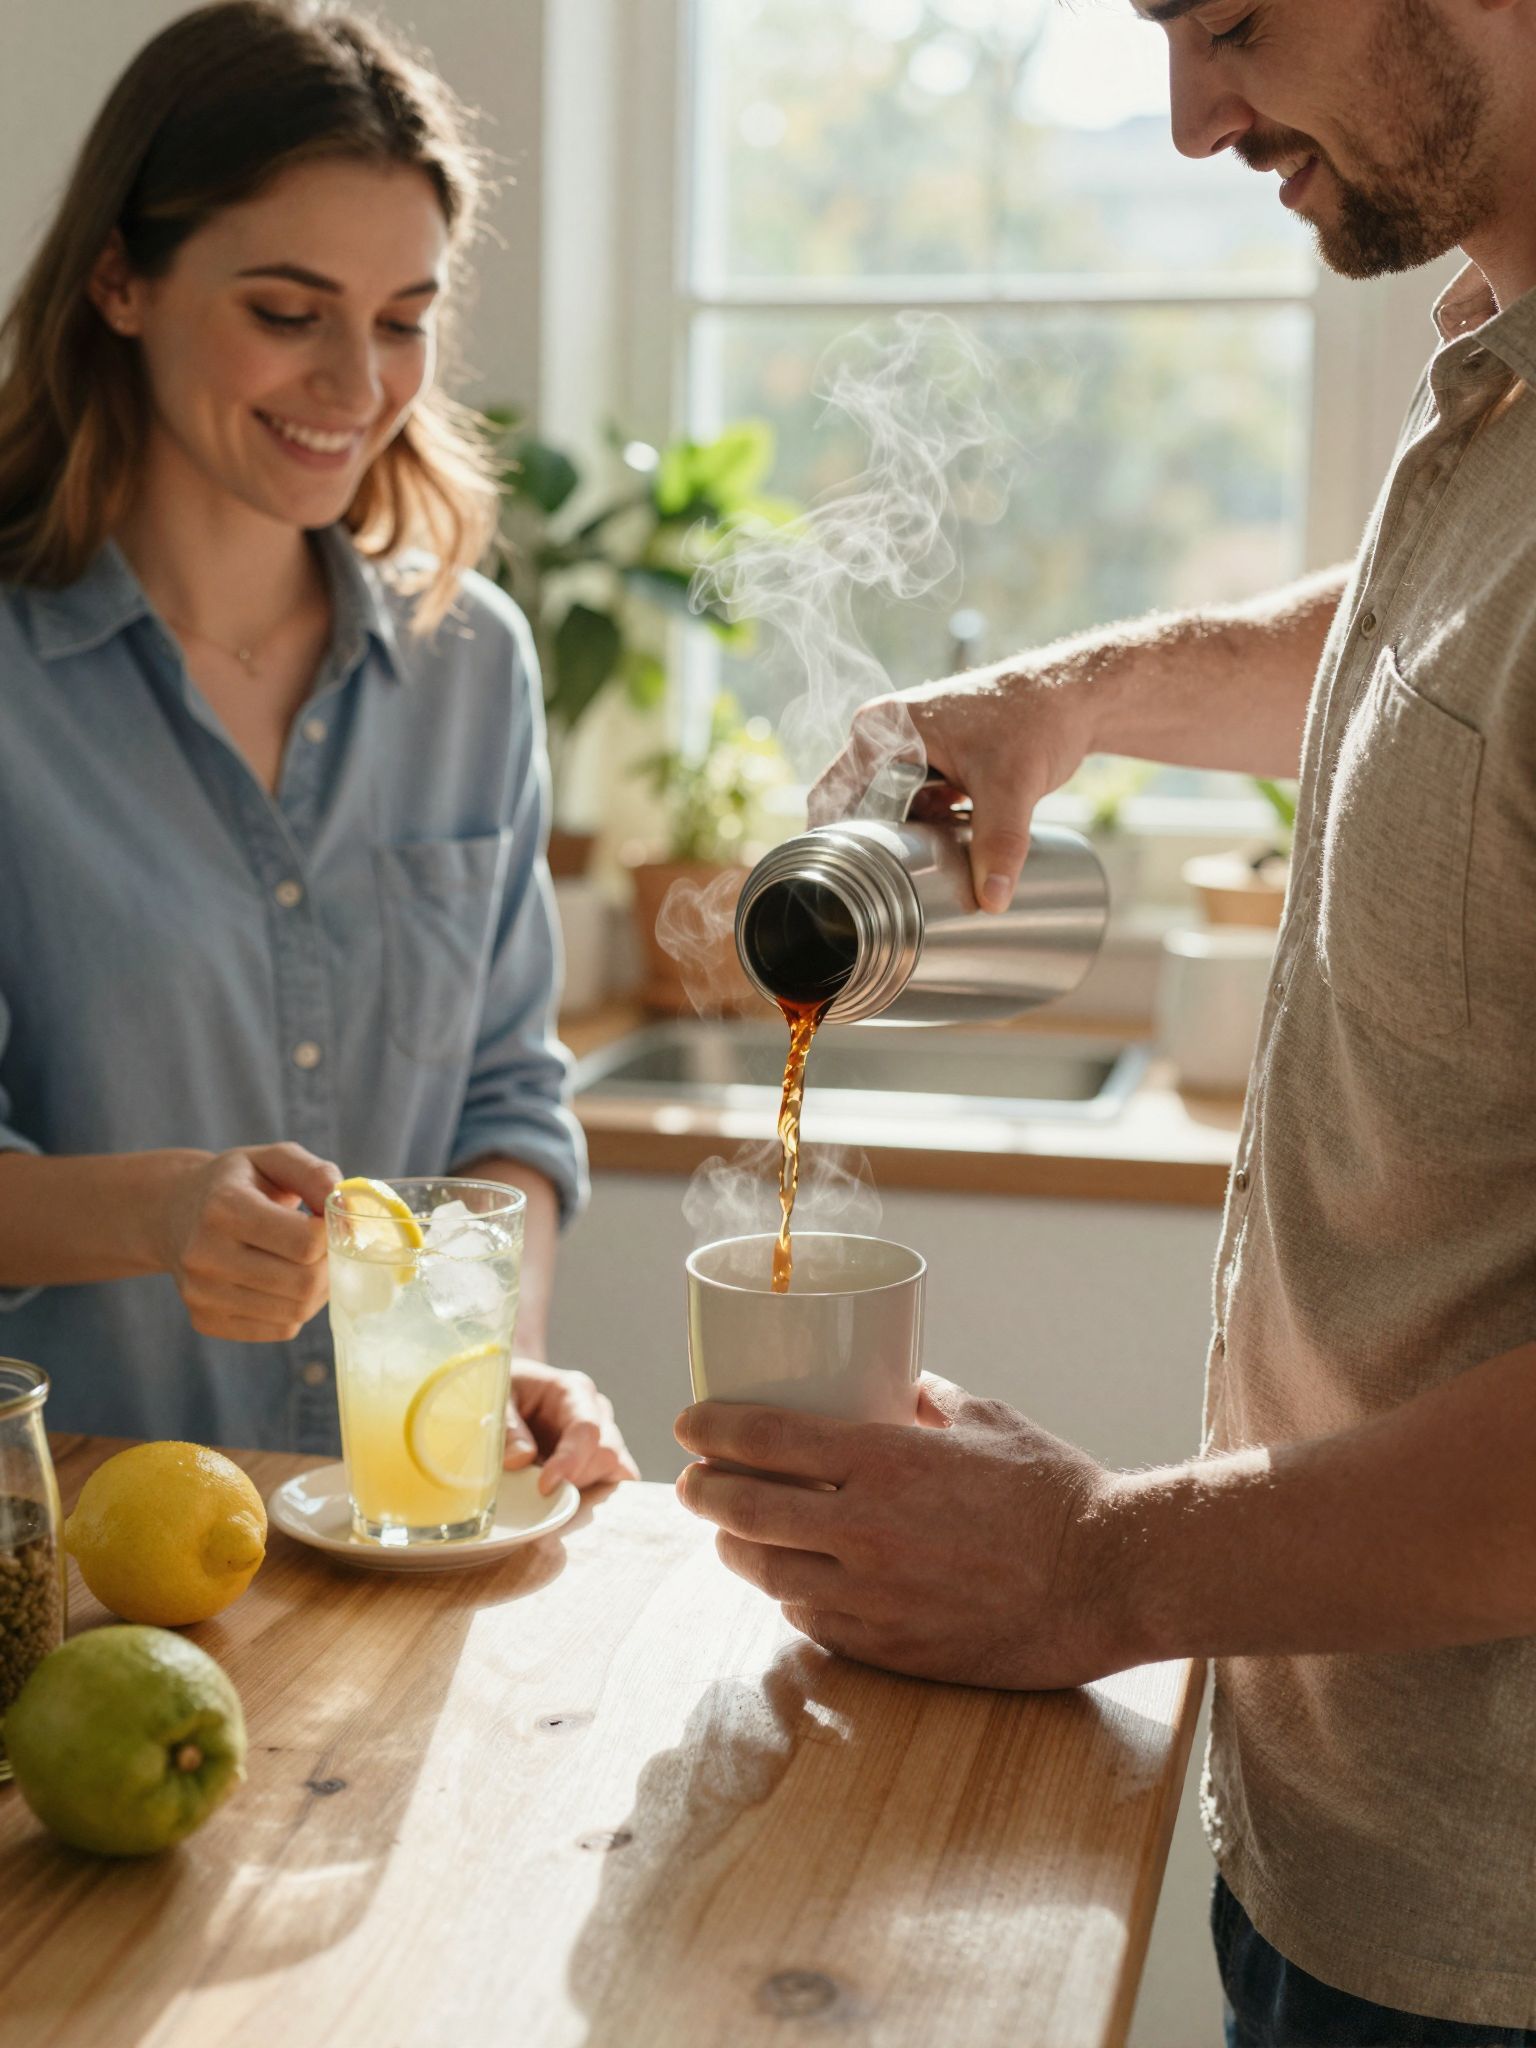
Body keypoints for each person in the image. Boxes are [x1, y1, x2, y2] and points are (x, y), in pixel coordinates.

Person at [676, 0, 1536, 2038]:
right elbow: (1443, 645)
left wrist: (1093, 1565)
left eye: (1234, 17)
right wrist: (1078, 696)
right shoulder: (1503, 371)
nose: (1188, 120)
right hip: (1338, 1836)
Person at [0, 1, 635, 1495]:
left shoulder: (472, 665)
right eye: (289, 313)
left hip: (397, 1533)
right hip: (73, 1538)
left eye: (403, 320)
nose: (359, 387)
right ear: (120, 280)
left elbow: (506, 1101)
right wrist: (165, 1210)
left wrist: (492, 1352)